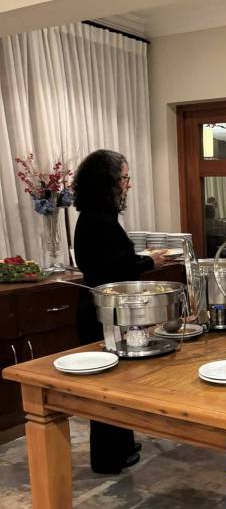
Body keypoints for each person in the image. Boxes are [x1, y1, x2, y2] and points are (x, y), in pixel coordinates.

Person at [73, 149, 168, 474]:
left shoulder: (99, 216)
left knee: (119, 382)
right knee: (105, 386)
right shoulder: (97, 220)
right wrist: (148, 261)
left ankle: (122, 444)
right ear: (108, 181)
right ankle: (108, 457)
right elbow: (113, 268)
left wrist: (142, 260)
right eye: (124, 178)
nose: (128, 184)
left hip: (106, 309)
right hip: (100, 312)